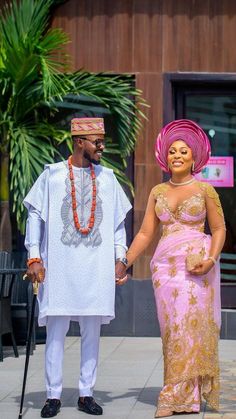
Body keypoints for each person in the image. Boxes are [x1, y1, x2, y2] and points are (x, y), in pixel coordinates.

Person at [23, 117, 131, 418]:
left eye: (102, 140)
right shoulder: (52, 175)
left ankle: (86, 393)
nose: (102, 146)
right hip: (59, 267)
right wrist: (34, 256)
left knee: (91, 333)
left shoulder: (108, 178)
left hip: (95, 269)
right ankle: (53, 395)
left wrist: (120, 258)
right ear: (79, 141)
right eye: (97, 141)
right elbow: (34, 214)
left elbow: (118, 223)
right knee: (55, 333)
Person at [120, 119, 226, 417]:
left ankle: (177, 397)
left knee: (189, 329)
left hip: (197, 269)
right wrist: (125, 262)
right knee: (172, 331)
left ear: (194, 158)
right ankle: (182, 393)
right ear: (165, 158)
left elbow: (219, 230)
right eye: (172, 152)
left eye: (183, 152)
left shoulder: (206, 190)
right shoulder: (157, 191)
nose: (177, 156)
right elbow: (144, 234)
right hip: (164, 271)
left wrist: (211, 260)